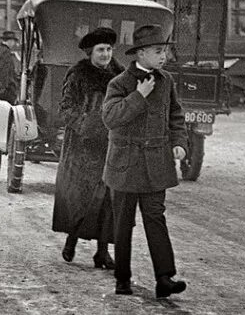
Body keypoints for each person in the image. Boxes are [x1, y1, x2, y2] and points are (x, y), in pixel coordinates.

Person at [102, 22, 189, 299]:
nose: (163, 56)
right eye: (157, 51)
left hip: (156, 164)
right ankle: (122, 279)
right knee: (123, 224)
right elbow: (110, 118)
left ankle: (164, 278)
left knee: (156, 219)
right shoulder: (119, 83)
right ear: (139, 54)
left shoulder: (166, 81)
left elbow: (175, 115)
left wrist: (179, 143)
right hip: (125, 164)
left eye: (164, 51)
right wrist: (138, 96)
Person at [53, 26, 120, 269]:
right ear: (90, 52)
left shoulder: (120, 75)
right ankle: (71, 240)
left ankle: (102, 252)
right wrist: (85, 124)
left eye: (109, 49)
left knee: (109, 200)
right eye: (101, 50)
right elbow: (65, 108)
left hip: (110, 145)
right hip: (82, 147)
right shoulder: (78, 74)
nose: (106, 54)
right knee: (82, 197)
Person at [0, 29, 22, 104]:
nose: (14, 44)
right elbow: (5, 71)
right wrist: (7, 87)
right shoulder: (6, 52)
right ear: (10, 41)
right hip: (4, 89)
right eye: (14, 41)